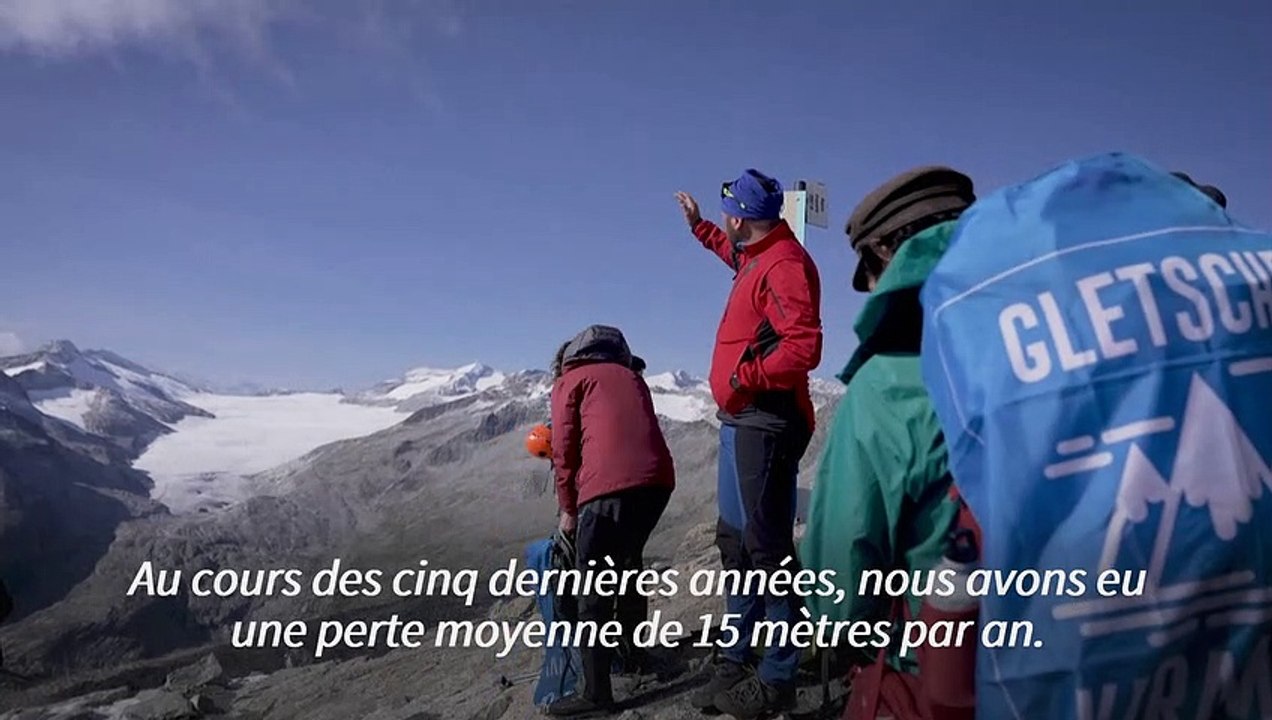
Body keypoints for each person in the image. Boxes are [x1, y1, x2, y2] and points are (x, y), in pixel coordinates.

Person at [798, 166, 977, 718]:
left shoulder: (887, 385)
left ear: (884, 252)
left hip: (942, 669)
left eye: (868, 273)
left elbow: (841, 569)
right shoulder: (1058, 342)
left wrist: (834, 622)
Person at [675, 168, 823, 718]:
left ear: (741, 216)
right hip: (741, 423)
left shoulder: (785, 264)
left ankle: (779, 674)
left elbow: (803, 346)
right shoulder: (759, 253)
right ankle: (736, 656)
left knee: (766, 553)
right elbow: (730, 252)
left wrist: (746, 378)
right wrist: (698, 230)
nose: (724, 221)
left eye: (725, 214)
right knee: (735, 543)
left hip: (766, 421)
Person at [547, 324, 676, 718]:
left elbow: (564, 452)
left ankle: (597, 693)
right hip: (657, 483)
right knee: (627, 566)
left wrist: (568, 509)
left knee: (593, 592)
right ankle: (633, 655)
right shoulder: (632, 376)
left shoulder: (571, 381)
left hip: (608, 491)